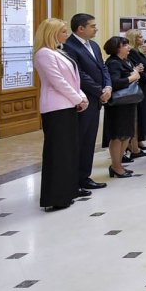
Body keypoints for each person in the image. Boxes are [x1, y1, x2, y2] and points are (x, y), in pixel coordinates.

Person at [32, 18, 87, 211]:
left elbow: (73, 79)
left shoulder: (58, 51)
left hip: (68, 104)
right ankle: (56, 195)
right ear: (52, 33)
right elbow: (57, 81)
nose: (66, 34)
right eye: (63, 31)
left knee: (69, 151)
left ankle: (68, 190)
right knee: (58, 152)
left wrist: (80, 95)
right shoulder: (44, 54)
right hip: (56, 107)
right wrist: (77, 98)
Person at [62, 14, 111, 189]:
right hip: (83, 100)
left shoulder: (94, 45)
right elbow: (79, 75)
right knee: (80, 140)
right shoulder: (69, 46)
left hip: (97, 98)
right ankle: (75, 179)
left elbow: (103, 67)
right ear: (81, 29)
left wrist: (108, 87)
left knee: (90, 140)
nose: (96, 28)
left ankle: (85, 176)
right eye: (92, 26)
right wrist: (99, 91)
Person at [102, 36, 140, 178]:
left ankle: (118, 165)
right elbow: (114, 82)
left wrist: (135, 73)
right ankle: (116, 166)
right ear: (117, 48)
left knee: (127, 134)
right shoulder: (113, 63)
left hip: (127, 102)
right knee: (118, 136)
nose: (128, 48)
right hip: (118, 104)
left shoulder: (125, 61)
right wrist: (133, 77)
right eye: (125, 45)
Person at [126, 29, 146, 151]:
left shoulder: (138, 51)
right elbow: (137, 68)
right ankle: (135, 143)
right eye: (139, 37)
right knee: (140, 113)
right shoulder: (132, 52)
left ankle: (139, 140)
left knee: (144, 113)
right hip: (140, 84)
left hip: (144, 83)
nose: (142, 39)